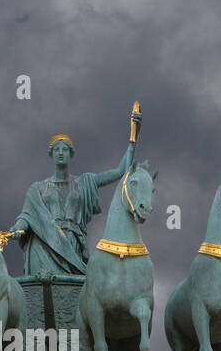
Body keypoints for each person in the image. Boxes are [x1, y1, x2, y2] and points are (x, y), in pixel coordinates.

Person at [9, 105, 141, 279]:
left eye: (65, 149)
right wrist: (19, 229)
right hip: (44, 245)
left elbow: (120, 171)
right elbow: (26, 216)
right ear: (52, 154)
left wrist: (133, 138)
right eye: (57, 150)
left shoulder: (85, 182)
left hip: (72, 244)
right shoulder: (37, 188)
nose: (61, 153)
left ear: (71, 154)